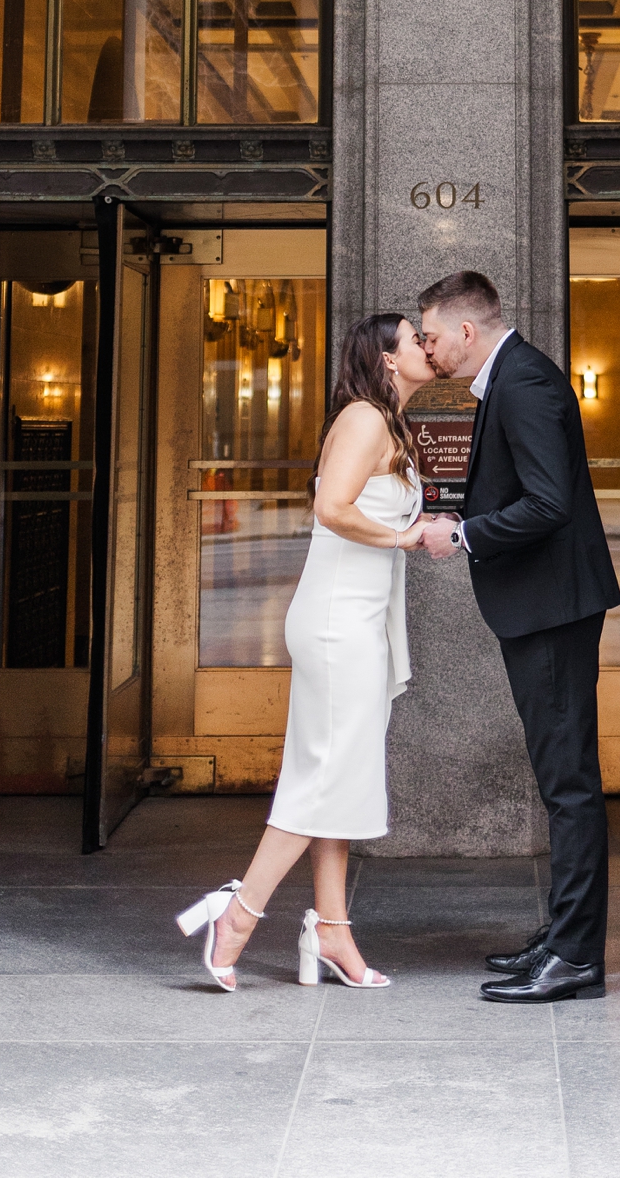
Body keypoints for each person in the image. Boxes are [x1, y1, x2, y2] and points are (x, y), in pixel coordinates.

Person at [175, 313, 432, 990]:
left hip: (360, 619)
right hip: (336, 621)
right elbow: (334, 510)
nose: (425, 346)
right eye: (413, 338)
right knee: (323, 777)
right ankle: (239, 913)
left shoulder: (389, 422)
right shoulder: (365, 419)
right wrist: (409, 537)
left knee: (339, 774)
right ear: (385, 360)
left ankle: (332, 929)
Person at [417, 269, 620, 1004]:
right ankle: (562, 938)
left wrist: (463, 535)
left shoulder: (525, 382)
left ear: (467, 332)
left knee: (569, 787)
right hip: (543, 607)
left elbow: (548, 505)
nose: (429, 350)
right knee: (560, 780)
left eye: (433, 336)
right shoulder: (510, 378)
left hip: (553, 610)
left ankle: (575, 956)